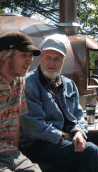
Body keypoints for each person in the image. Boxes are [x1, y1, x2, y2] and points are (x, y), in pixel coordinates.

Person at [19, 35, 98, 172]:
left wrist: (79, 132)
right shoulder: (29, 83)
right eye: (48, 58)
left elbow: (79, 115)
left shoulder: (69, 85)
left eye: (57, 59)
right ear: (40, 58)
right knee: (91, 151)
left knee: (88, 157)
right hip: (39, 144)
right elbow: (34, 127)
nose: (52, 63)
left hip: (65, 141)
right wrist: (64, 136)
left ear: (63, 60)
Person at [0, 31, 42, 172]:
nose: (30, 61)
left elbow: (17, 118)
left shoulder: (20, 81)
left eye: (31, 56)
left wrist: (15, 150)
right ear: (4, 55)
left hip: (11, 153)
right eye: (24, 55)